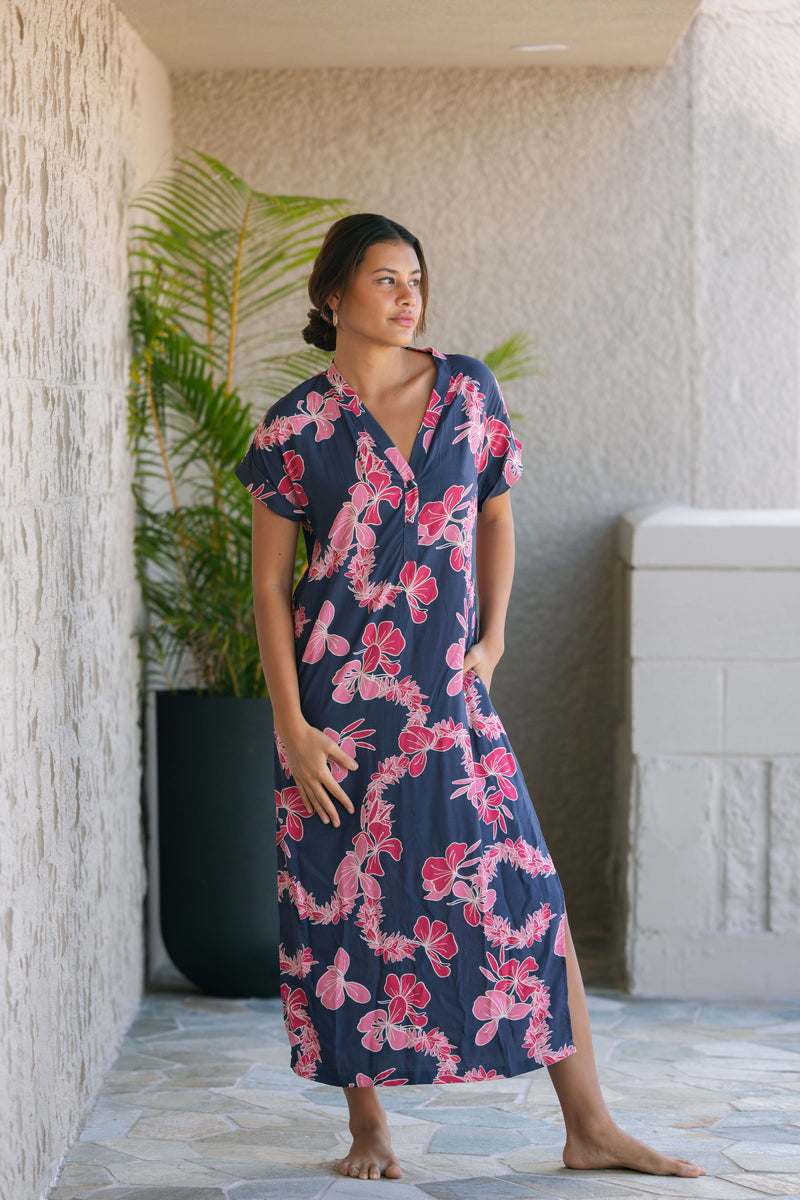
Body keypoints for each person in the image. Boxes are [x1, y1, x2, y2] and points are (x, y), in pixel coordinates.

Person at [234, 213, 705, 1183]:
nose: (407, 295)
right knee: (338, 903)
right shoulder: (295, 426)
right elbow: (270, 589)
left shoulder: (464, 390)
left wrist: (490, 639)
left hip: (448, 702)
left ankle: (588, 1124)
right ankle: (367, 1129)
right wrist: (291, 722)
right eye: (383, 278)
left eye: (415, 278)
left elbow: (495, 516)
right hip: (338, 713)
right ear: (333, 296)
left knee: (525, 892)